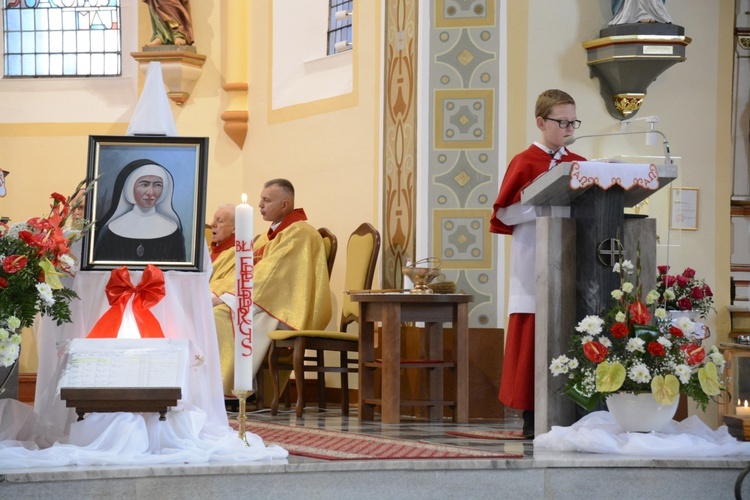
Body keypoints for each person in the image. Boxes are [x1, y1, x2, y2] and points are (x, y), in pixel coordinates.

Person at [489, 89, 587, 438]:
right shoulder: (524, 161)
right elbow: (504, 212)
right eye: (562, 122)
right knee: (533, 340)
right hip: (533, 265)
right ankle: (531, 418)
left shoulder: (579, 163)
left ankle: (575, 410)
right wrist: (545, 203)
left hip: (571, 262)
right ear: (541, 122)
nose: (568, 128)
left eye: (572, 122)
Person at [250, 179, 332, 379]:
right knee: (223, 312)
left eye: (266, 200)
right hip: (272, 303)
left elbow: (273, 276)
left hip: (290, 310)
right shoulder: (266, 237)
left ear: (285, 205)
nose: (260, 205)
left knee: (227, 317)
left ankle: (237, 391)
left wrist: (235, 298)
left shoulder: (300, 233)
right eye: (261, 199)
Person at [94, 159, 186, 262]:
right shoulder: (111, 231)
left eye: (157, 185)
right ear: (130, 188)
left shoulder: (173, 231)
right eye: (144, 184)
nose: (150, 192)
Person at [207, 204, 238, 397]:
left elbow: (233, 282)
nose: (212, 225)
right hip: (204, 300)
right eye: (213, 220)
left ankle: (215, 387)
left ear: (235, 228)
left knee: (215, 316)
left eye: (220, 221)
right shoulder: (207, 252)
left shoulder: (239, 252)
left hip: (223, 304)